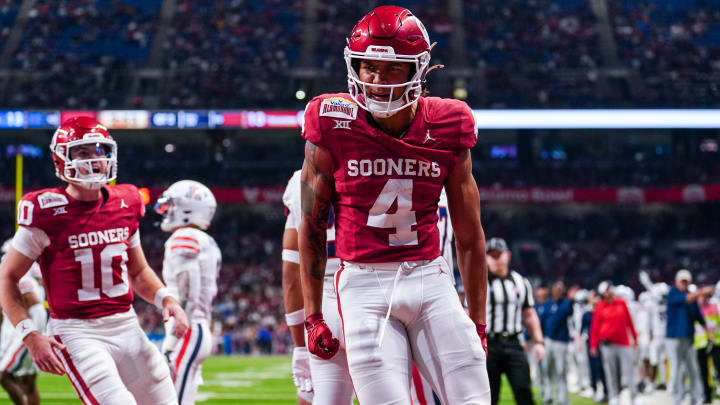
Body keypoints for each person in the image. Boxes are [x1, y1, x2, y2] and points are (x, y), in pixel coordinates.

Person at [297, 5, 490, 404]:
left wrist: (478, 321)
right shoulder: (330, 119)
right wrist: (313, 315)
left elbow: (470, 238)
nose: (378, 80)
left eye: (392, 69)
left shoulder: (449, 123)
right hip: (363, 284)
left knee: (475, 397)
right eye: (369, 67)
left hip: (430, 277)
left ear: (417, 70)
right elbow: (311, 226)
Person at [0, 116, 189, 405]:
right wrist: (29, 335)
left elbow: (138, 273)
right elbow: (8, 276)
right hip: (78, 332)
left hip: (126, 324)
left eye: (99, 150)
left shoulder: (126, 201)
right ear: (62, 159)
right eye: (82, 152)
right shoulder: (45, 211)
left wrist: (166, 299)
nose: (95, 159)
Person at [283, 169, 452, 404]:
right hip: (383, 292)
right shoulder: (389, 168)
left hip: (328, 301)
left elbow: (291, 273)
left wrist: (300, 347)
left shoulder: (302, 180)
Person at [156, 180, 220, 405]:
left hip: (188, 326)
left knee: (174, 399)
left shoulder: (186, 237)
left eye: (172, 205)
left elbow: (187, 289)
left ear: (187, 209)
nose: (167, 209)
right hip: (196, 326)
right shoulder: (205, 239)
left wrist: (174, 335)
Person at [484, 237, 544, 405]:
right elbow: (468, 315)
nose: (496, 259)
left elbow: (529, 314)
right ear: (486, 257)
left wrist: (539, 341)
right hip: (488, 346)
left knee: (524, 391)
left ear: (508, 256)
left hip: (514, 343)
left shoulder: (521, 282)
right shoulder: (479, 282)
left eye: (499, 255)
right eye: (491, 255)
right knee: (488, 396)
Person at [0, 240, 46, 405]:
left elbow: (34, 306)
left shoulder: (20, 277)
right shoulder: (34, 276)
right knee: (28, 381)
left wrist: (34, 334)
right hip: (24, 332)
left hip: (24, 334)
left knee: (4, 375)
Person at [666, 269, 713, 405]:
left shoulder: (691, 297)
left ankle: (696, 397)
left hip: (688, 338)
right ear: (677, 282)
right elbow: (686, 299)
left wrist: (707, 333)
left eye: (687, 282)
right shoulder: (673, 293)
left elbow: (699, 317)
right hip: (674, 338)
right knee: (676, 369)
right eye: (682, 281)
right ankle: (677, 398)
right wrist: (702, 292)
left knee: (693, 369)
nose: (684, 284)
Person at [589, 281, 641, 405]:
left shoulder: (621, 303)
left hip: (623, 343)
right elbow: (595, 328)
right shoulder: (600, 307)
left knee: (629, 371)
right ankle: (614, 396)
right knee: (611, 372)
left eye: (609, 289)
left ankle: (634, 397)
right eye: (606, 290)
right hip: (607, 345)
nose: (608, 292)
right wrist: (593, 345)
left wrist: (634, 338)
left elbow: (629, 321)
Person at [544, 281, 574, 405]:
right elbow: (543, 320)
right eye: (556, 289)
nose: (557, 292)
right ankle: (548, 394)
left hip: (561, 341)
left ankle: (563, 398)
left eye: (560, 290)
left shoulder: (566, 303)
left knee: (561, 370)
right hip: (548, 340)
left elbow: (565, 313)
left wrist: (568, 299)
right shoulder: (548, 304)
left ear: (563, 292)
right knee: (547, 369)